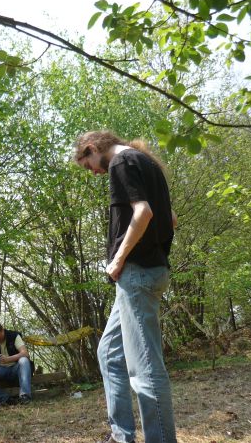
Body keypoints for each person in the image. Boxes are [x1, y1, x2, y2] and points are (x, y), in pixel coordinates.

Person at [74, 131, 177, 443]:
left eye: (88, 164)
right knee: (109, 353)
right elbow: (169, 219)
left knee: (144, 369)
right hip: (149, 271)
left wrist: (118, 259)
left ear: (92, 148)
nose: (93, 171)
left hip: (137, 273)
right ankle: (121, 436)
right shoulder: (146, 162)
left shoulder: (120, 161)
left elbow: (143, 212)